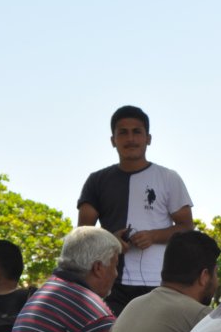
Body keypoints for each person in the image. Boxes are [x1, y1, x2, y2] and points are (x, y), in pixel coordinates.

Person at [77, 105, 194, 315]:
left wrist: (153, 236)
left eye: (137, 132)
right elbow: (82, 233)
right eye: (123, 132)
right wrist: (110, 240)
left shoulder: (168, 178)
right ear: (113, 140)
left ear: (148, 138)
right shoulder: (97, 181)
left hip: (160, 282)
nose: (130, 139)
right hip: (110, 283)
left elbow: (187, 227)